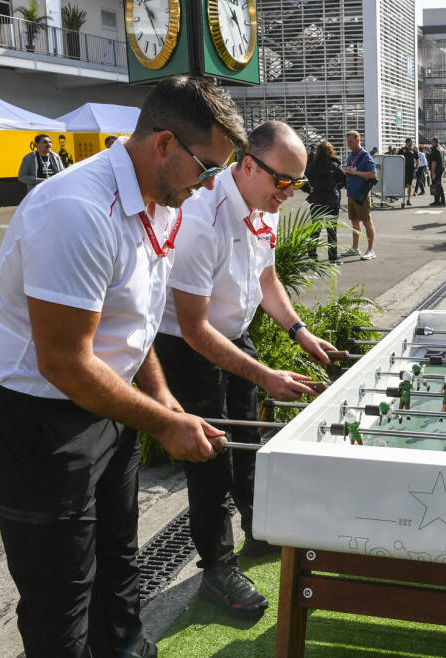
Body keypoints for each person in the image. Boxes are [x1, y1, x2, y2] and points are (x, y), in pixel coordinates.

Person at [0, 75, 245, 657]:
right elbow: (65, 363)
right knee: (60, 585)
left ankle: (126, 648)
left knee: (119, 548)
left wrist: (163, 400)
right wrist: (165, 424)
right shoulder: (77, 209)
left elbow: (133, 323)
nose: (211, 185)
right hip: (34, 413)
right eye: (208, 168)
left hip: (109, 396)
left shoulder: (164, 198)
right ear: (164, 144)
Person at [154, 120, 338, 619]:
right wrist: (263, 374)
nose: (291, 193)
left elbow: (267, 277)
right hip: (189, 346)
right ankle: (217, 568)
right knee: (211, 455)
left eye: (297, 183)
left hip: (234, 333)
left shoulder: (263, 206)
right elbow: (193, 328)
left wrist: (300, 331)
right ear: (248, 165)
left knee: (251, 437)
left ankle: (260, 527)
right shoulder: (201, 218)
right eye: (285, 181)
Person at [304, 141, 345, 262]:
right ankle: (332, 257)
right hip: (331, 199)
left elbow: (303, 179)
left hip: (316, 199)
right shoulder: (334, 165)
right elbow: (343, 179)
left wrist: (309, 189)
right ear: (330, 151)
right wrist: (337, 186)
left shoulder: (312, 166)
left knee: (315, 229)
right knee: (332, 230)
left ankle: (312, 256)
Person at [344, 130, 377, 260]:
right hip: (352, 194)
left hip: (362, 195)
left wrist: (356, 172)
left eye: (351, 142)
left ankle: (370, 250)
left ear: (358, 140)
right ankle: (355, 248)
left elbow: (373, 175)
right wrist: (348, 171)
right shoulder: (350, 156)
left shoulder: (366, 156)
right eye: (348, 142)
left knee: (367, 221)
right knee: (354, 222)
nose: (349, 144)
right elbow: (351, 170)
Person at [400, 137, 419, 205]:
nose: (412, 143)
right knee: (402, 185)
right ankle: (403, 199)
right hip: (402, 170)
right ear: (407, 142)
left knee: (409, 185)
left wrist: (416, 167)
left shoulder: (414, 150)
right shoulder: (402, 150)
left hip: (411, 170)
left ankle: (408, 199)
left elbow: (417, 159)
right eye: (411, 142)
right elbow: (397, 158)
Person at [428, 136, 446, 206]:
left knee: (435, 185)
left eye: (432, 142)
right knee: (439, 184)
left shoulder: (435, 150)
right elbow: (444, 158)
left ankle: (436, 201)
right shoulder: (441, 148)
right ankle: (442, 200)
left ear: (435, 142)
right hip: (441, 168)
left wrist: (432, 173)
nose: (431, 143)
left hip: (436, 169)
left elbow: (433, 162)